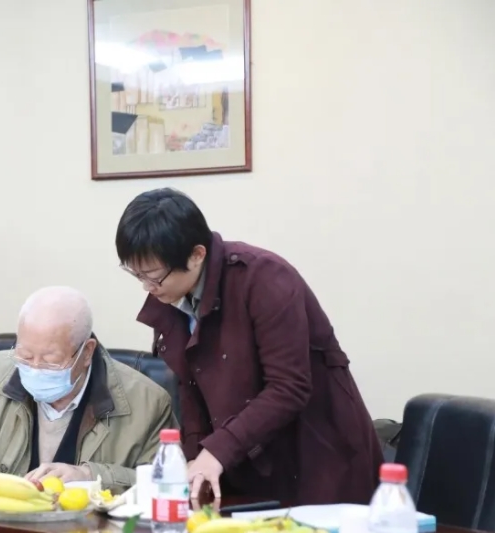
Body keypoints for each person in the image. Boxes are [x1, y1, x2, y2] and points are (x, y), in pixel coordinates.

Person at [115, 188, 383, 505]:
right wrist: (195, 458)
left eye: (154, 276)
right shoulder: (172, 298)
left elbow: (289, 387)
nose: (147, 287)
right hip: (244, 463)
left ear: (197, 255)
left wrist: (216, 452)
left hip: (315, 456)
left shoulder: (264, 278)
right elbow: (190, 388)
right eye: (137, 275)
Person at [0, 286, 176, 489]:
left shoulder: (147, 402)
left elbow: (166, 483)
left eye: (50, 360)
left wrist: (91, 476)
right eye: (25, 355)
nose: (35, 368)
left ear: (86, 352)